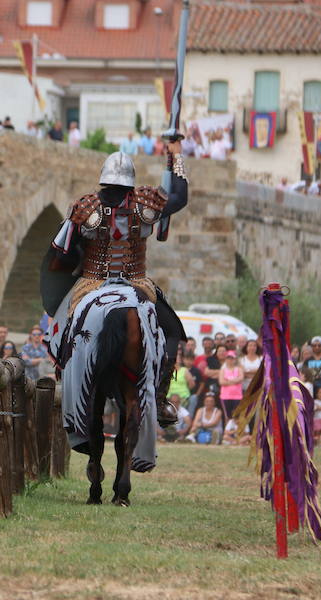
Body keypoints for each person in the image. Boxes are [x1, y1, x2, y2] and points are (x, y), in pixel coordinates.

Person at [42, 140, 189, 426]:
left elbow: (61, 252)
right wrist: (176, 157)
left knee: (68, 328)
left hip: (91, 284)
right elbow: (179, 197)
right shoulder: (146, 202)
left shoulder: (85, 206)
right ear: (130, 181)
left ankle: (65, 376)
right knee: (173, 331)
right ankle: (159, 398)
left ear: (103, 178)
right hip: (137, 284)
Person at [218, 350, 244, 420]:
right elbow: (221, 382)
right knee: (227, 416)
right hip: (225, 396)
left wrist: (228, 381)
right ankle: (227, 430)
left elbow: (241, 378)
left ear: (235, 359)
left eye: (232, 358)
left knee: (237, 415)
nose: (230, 360)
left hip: (237, 396)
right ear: (226, 359)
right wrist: (235, 381)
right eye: (228, 358)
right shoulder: (223, 370)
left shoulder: (239, 369)